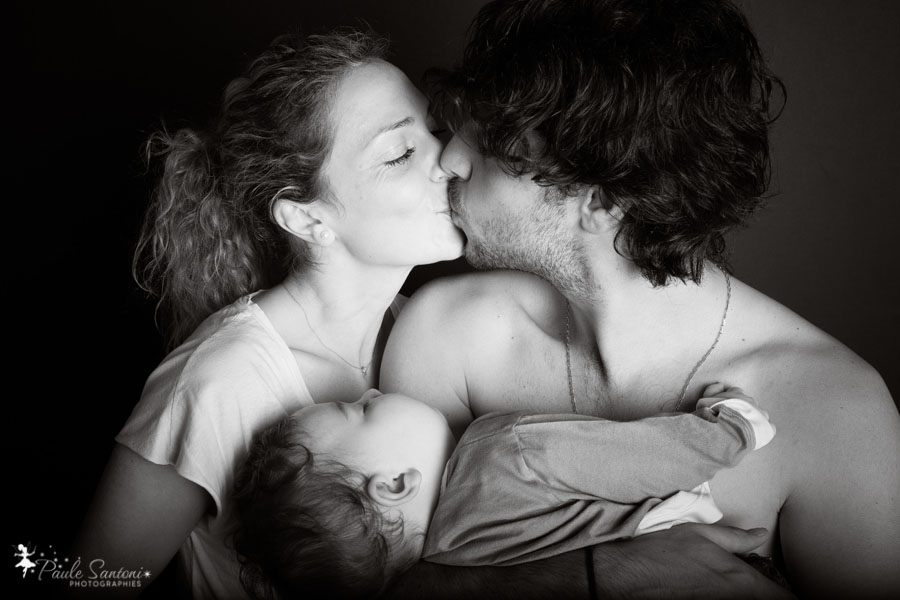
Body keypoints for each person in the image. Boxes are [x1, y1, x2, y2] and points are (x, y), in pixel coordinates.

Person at [380, 0, 900, 597]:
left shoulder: (834, 411)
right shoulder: (446, 336)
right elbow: (380, 574)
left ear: (602, 201)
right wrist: (603, 571)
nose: (449, 158)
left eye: (493, 141)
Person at [69, 28, 464, 599]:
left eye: (435, 132)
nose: (448, 159)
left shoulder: (426, 333)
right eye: (401, 153)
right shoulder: (218, 383)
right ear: (308, 219)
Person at [233, 384, 776, 598]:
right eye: (361, 409)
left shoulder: (450, 557)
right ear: (395, 484)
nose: (372, 390)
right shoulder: (502, 453)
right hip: (690, 538)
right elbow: (641, 460)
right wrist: (731, 428)